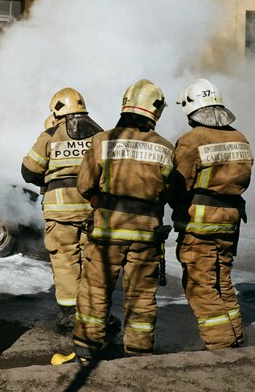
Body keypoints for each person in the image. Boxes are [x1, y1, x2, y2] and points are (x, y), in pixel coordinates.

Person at [55, 79, 174, 364]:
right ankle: (138, 355)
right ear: (154, 111)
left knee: (95, 291)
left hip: (106, 231)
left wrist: (99, 199)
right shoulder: (165, 148)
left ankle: (86, 352)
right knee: (141, 297)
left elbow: (85, 184)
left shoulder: (102, 140)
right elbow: (169, 191)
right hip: (147, 234)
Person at [170, 78, 253, 350]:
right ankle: (236, 336)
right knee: (222, 281)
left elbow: (178, 186)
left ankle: (222, 347)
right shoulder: (240, 137)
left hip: (199, 225)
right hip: (230, 223)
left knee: (201, 287)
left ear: (190, 108)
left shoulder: (191, 141)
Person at [21, 87, 110, 333]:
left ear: (57, 110)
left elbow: (28, 171)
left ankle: (71, 314)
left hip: (60, 212)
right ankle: (98, 312)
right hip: (93, 209)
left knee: (65, 262)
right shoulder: (101, 135)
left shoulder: (50, 135)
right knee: (93, 261)